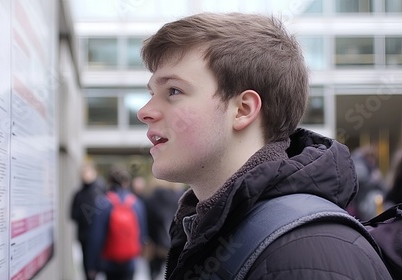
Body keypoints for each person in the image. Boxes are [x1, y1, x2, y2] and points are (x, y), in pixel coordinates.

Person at [136, 12, 392, 279]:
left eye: (173, 91)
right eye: (152, 94)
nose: (144, 111)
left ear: (243, 110)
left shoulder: (305, 251)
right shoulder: (211, 227)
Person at [85, 165, 148, 280]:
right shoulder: (136, 203)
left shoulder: (103, 202)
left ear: (109, 181)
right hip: (130, 260)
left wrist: (92, 265)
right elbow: (142, 234)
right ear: (127, 182)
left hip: (109, 261)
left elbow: (96, 236)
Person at [70, 161, 106, 280]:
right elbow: (72, 215)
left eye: (87, 172)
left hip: (99, 237)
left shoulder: (99, 191)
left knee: (95, 268)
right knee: (88, 269)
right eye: (83, 173)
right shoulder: (79, 193)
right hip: (85, 236)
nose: (85, 175)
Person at [144, 179, 184, 280]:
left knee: (153, 273)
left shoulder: (151, 198)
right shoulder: (179, 198)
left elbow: (148, 221)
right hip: (175, 242)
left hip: (155, 243)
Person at [347, 145, 387, 220]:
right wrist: (374, 180)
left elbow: (384, 188)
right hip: (361, 202)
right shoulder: (359, 165)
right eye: (371, 156)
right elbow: (361, 184)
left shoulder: (371, 168)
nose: (373, 160)